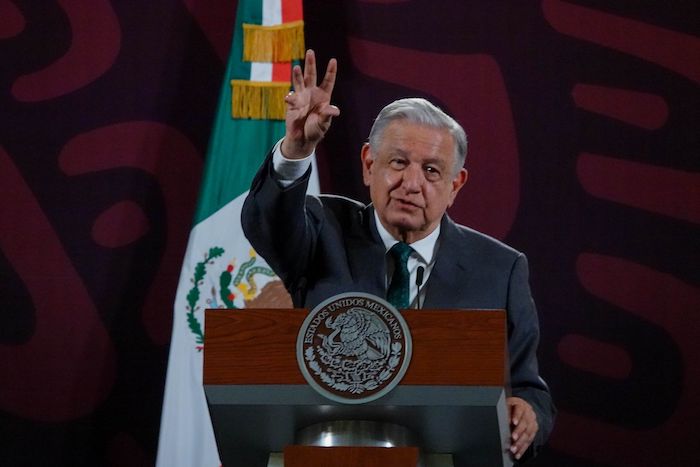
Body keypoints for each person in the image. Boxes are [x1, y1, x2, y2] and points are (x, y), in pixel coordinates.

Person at [242, 49, 555, 461]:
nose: (411, 183)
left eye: (431, 171)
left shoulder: (500, 269)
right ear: (369, 165)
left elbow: (529, 389)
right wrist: (296, 150)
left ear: (455, 185)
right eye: (398, 162)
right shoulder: (324, 230)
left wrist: (529, 413)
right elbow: (268, 223)